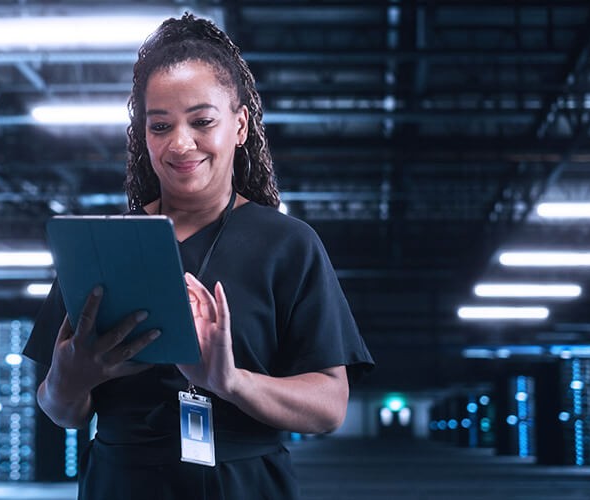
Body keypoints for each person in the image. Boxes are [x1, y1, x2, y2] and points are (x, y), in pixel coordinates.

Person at [22, 13, 374, 500]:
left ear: (240, 125)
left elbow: (329, 406)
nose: (180, 143)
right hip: (122, 481)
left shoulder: (288, 244)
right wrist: (69, 382)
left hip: (244, 483)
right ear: (144, 136)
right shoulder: (103, 243)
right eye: (160, 126)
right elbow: (60, 410)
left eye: (202, 121)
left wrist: (232, 382)